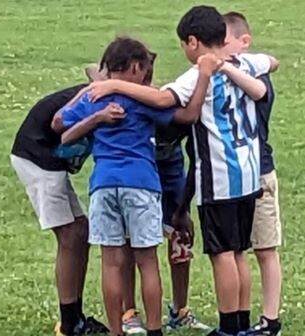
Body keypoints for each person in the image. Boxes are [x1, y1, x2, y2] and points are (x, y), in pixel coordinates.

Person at [87, 6, 278, 336]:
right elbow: (272, 62)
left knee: (222, 254)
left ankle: (230, 326)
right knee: (239, 252)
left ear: (193, 42)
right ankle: (243, 321)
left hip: (220, 175)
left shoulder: (196, 75)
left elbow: (162, 100)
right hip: (249, 171)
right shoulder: (245, 62)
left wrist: (113, 86)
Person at [58, 36, 221, 336]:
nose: (146, 76)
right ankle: (155, 329)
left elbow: (60, 126)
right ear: (135, 67)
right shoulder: (143, 99)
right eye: (144, 69)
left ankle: (117, 329)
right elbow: (188, 115)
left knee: (111, 262)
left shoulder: (95, 97)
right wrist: (203, 80)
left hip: (103, 185)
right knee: (147, 261)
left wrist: (94, 112)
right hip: (141, 184)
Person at [10, 67, 118, 335]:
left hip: (51, 159)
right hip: (37, 155)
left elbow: (94, 68)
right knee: (70, 235)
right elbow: (92, 70)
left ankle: (75, 316)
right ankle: (69, 323)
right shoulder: (95, 94)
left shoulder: (107, 87)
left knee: (80, 230)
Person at [223, 12, 282, 336]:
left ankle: (270, 319)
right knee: (238, 248)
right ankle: (241, 315)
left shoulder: (254, 74)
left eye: (225, 42)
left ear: (244, 43)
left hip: (260, 170)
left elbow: (263, 78)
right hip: (235, 175)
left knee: (265, 248)